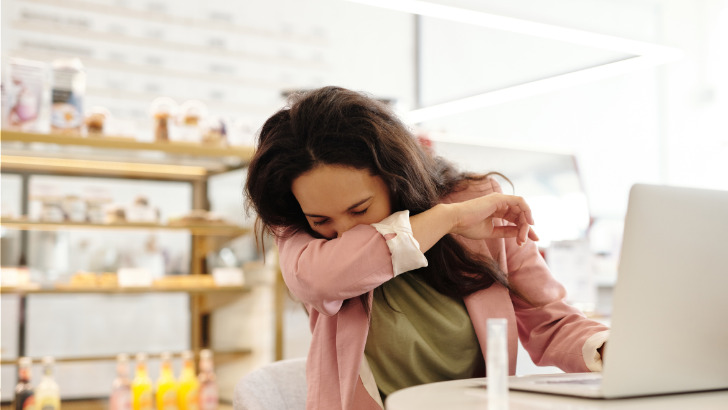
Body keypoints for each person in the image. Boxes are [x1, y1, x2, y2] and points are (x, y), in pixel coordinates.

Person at [244, 86, 609, 410]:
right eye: (322, 221)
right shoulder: (295, 227)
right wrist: (448, 219)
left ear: (395, 178)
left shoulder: (475, 200)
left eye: (359, 210)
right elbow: (321, 280)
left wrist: (610, 350)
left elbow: (550, 319)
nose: (343, 234)